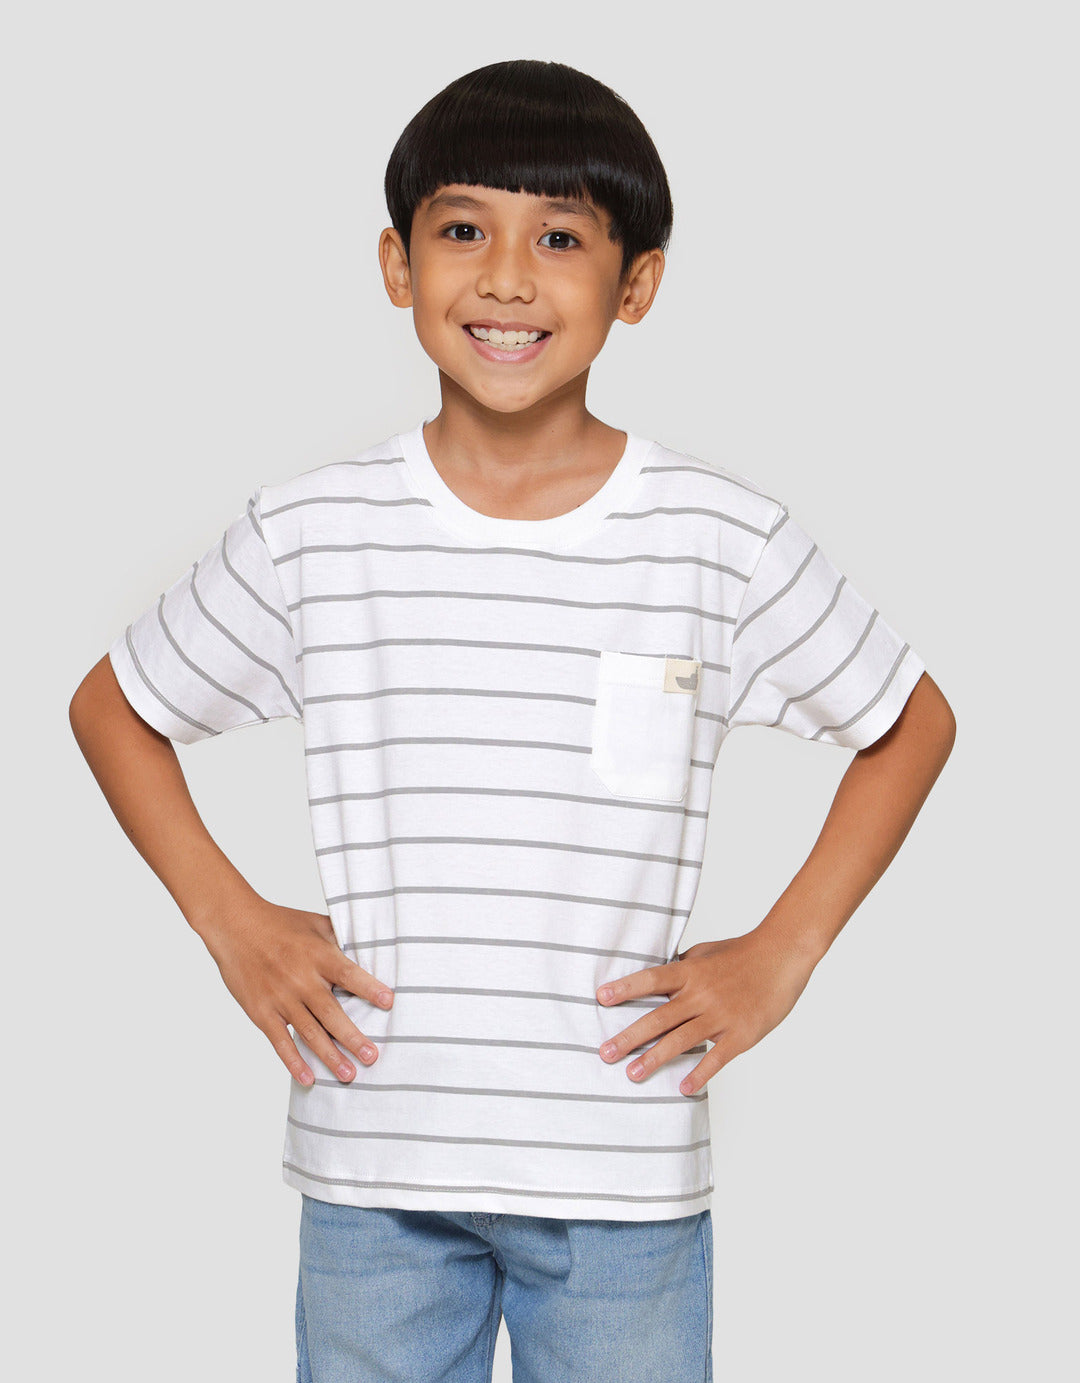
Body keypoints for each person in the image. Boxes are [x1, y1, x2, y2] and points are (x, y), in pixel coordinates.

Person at [70, 57, 956, 1383]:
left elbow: (911, 721)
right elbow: (115, 706)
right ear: (397, 263)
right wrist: (230, 920)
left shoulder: (717, 539)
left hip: (619, 1172)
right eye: (463, 230)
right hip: (376, 1161)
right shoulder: (316, 532)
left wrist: (784, 952)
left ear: (636, 284)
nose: (505, 279)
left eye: (560, 240)